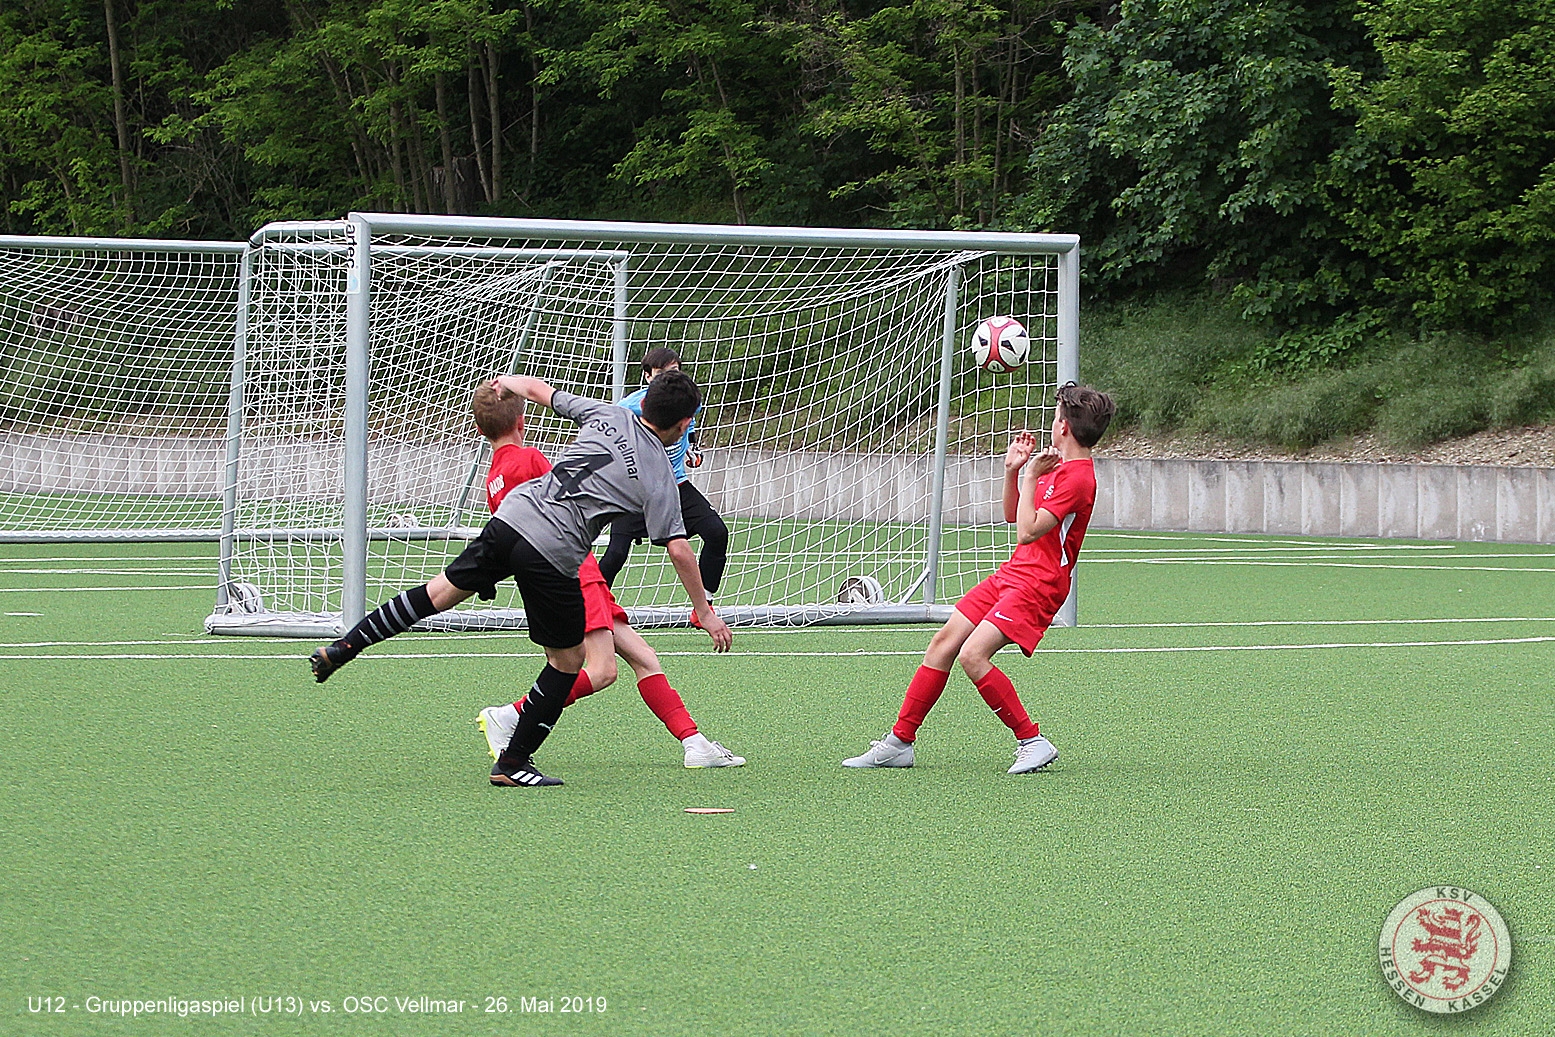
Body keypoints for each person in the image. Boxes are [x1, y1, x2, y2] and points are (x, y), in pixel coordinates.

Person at [308, 370, 732, 789]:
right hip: (555, 550)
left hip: (513, 518)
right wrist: (705, 611)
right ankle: (512, 761)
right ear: (683, 424)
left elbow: (537, 390)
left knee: (435, 593)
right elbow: (679, 550)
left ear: (644, 403)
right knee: (568, 662)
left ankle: (345, 646)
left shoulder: (608, 413)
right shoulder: (659, 474)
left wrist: (506, 383)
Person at [464, 380, 744, 768]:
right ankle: (511, 716)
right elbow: (553, 511)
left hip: (574, 569)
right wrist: (705, 611)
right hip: (572, 569)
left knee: (644, 657)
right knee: (601, 671)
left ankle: (694, 743)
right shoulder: (527, 460)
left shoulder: (495, 474)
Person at [841, 382, 1115, 774]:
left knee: (972, 655)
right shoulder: (1055, 467)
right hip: (1015, 573)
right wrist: (1013, 471)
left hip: (1039, 585)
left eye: (1055, 417)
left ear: (1064, 428)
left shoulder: (1077, 478)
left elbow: (1027, 531)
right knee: (943, 643)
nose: (1053, 423)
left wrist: (1030, 478)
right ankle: (899, 743)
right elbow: (1013, 515)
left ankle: (1032, 740)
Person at [599, 348, 729, 625]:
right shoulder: (629, 407)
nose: (669, 378)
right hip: (636, 490)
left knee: (717, 532)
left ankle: (703, 605)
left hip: (676, 485)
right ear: (648, 376)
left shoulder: (689, 401)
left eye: (674, 372)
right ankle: (590, 605)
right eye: (661, 373)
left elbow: (690, 428)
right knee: (617, 552)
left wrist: (692, 449)